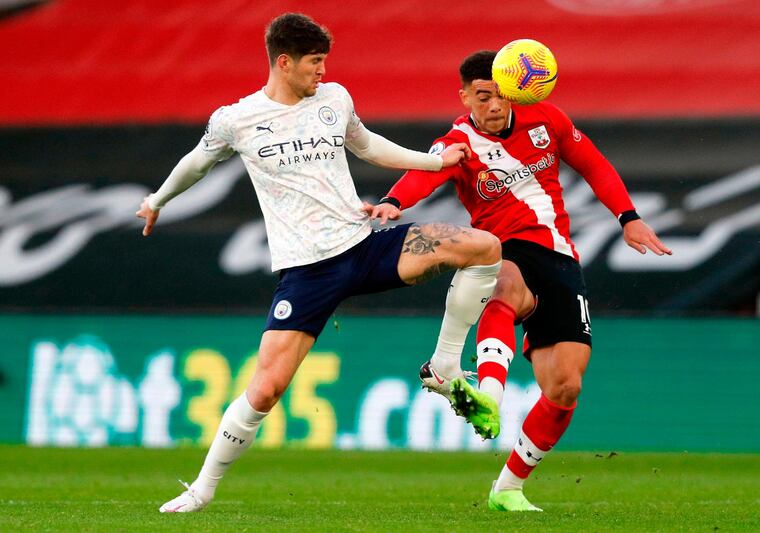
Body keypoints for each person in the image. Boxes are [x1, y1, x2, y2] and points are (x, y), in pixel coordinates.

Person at [138, 15, 502, 513]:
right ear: (283, 62)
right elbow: (197, 163)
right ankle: (201, 489)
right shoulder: (236, 120)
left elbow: (369, 145)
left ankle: (444, 365)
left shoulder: (335, 100)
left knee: (482, 246)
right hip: (308, 271)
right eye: (314, 62)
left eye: (325, 61)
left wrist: (435, 162)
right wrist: (158, 199)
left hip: (363, 246)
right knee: (265, 389)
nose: (322, 72)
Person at [370, 50, 672, 511]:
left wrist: (628, 217)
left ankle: (508, 487)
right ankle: (489, 394)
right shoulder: (458, 141)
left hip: (559, 255)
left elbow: (593, 165)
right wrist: (394, 200)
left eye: (500, 95)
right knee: (505, 284)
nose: (494, 106)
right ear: (465, 96)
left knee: (566, 386)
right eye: (482, 96)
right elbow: (421, 175)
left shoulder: (546, 118)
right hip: (499, 247)